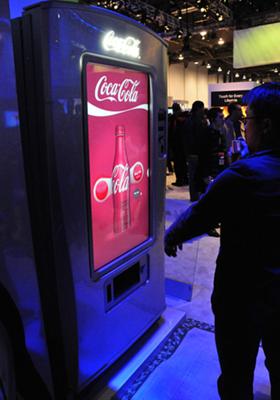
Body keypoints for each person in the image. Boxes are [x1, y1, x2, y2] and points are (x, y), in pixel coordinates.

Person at [164, 82, 280, 400]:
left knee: (236, 373)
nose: (244, 127)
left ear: (266, 126)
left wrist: (171, 237)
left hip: (242, 294)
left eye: (248, 120)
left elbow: (199, 216)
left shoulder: (241, 175)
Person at [183, 100, 212, 201]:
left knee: (195, 175)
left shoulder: (192, 120)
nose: (203, 111)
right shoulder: (194, 121)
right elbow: (192, 138)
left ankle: (195, 196)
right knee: (194, 176)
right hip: (195, 153)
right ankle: (195, 197)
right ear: (198, 109)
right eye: (202, 109)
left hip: (195, 153)